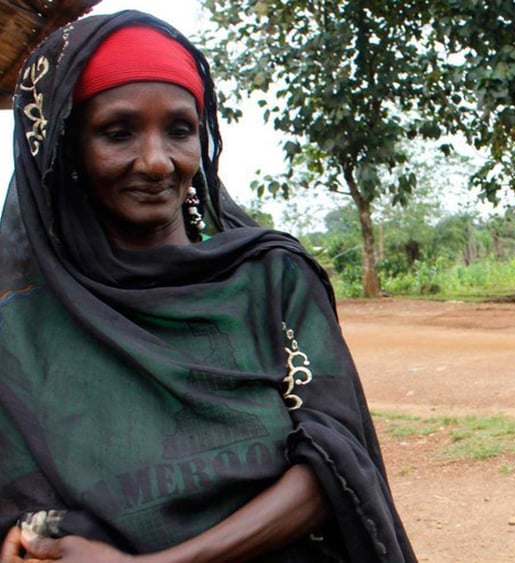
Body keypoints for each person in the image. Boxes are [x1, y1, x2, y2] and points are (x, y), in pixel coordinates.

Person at [0, 11, 414, 562]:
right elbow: (22, 510)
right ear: (65, 146)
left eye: (179, 130)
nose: (156, 162)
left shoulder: (271, 278)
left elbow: (334, 458)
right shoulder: (19, 325)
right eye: (118, 133)